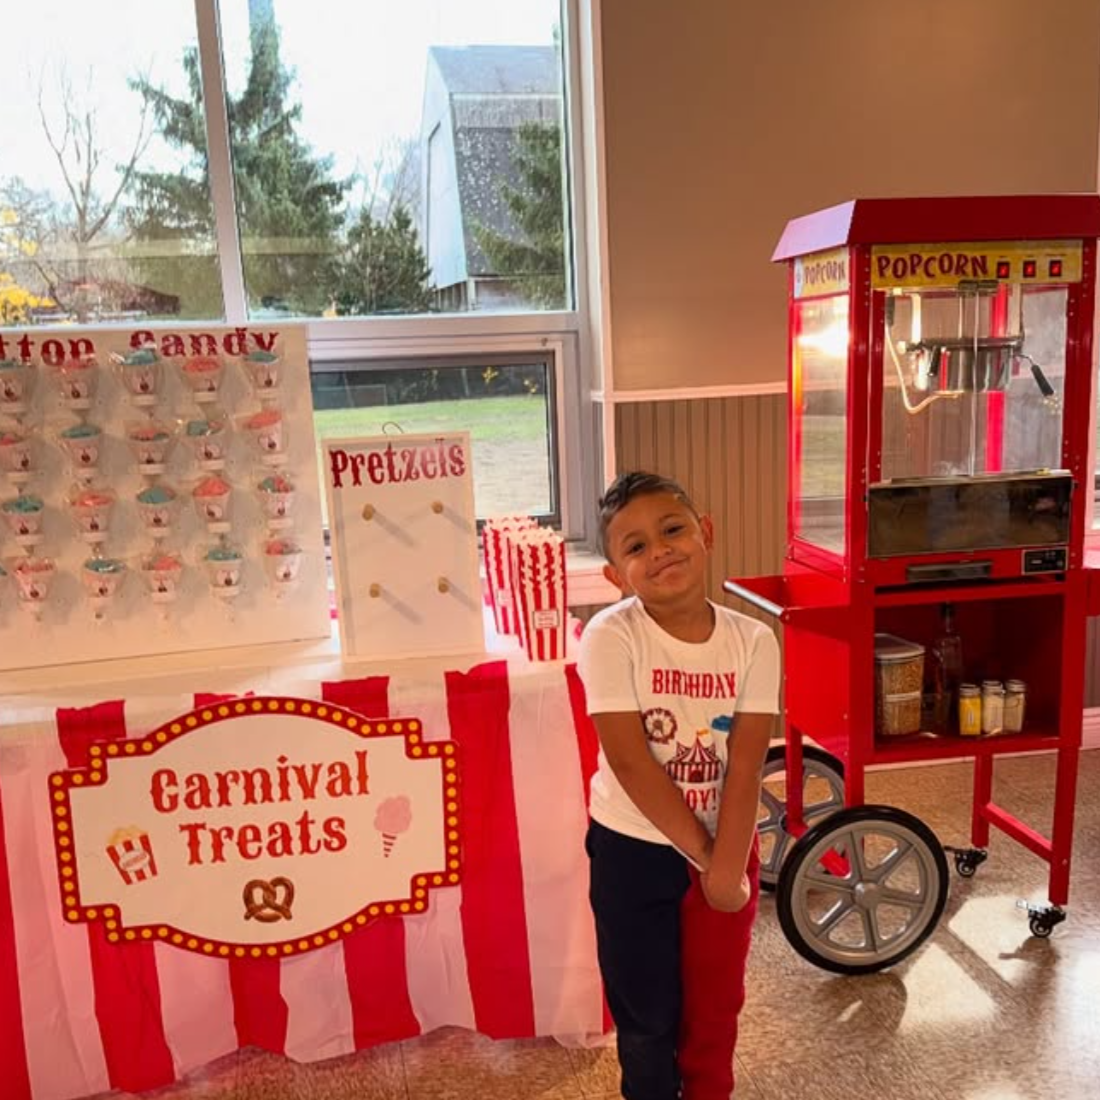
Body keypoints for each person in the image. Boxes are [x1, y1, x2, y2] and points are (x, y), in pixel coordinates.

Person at [578, 471, 780, 1100]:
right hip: (632, 851)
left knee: (714, 1011)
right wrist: (706, 859)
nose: (659, 550)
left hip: (726, 846)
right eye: (635, 547)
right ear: (616, 575)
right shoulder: (611, 636)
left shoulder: (754, 641)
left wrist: (727, 864)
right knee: (647, 1016)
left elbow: (746, 764)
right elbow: (631, 761)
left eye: (672, 530)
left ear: (707, 533)